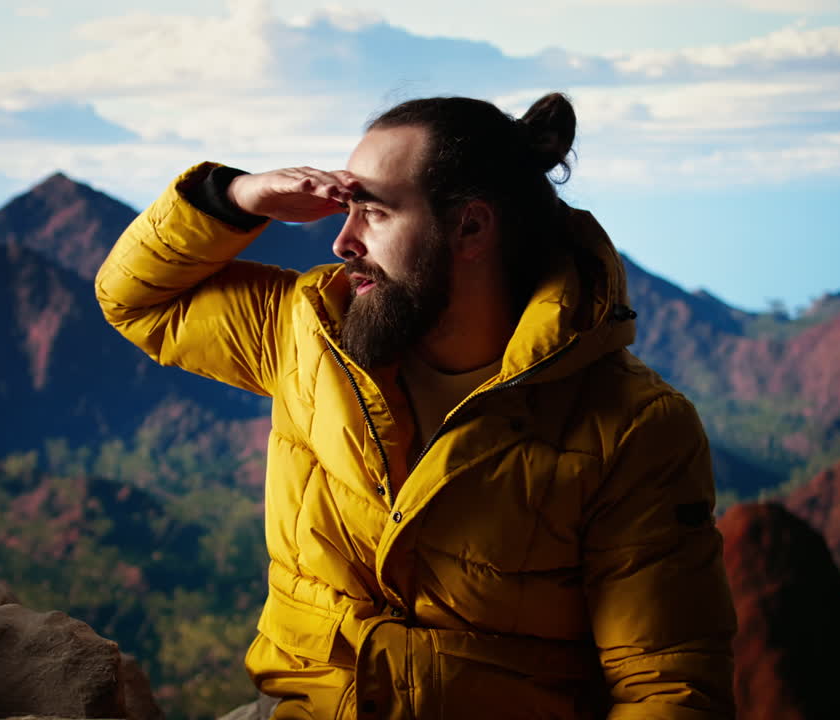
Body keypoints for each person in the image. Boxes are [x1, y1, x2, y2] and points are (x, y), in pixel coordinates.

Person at [95, 93, 737, 720]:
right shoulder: (311, 330)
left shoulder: (632, 426)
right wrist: (233, 198)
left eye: (371, 212)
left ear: (471, 228)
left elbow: (665, 682)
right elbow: (134, 300)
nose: (342, 242)